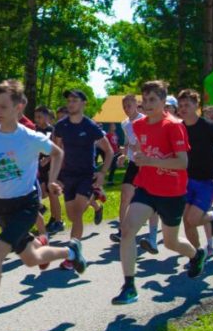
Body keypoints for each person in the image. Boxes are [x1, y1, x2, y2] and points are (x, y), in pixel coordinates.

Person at [0, 80, 83, 331]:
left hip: (25, 205)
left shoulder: (29, 137)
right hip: (2, 208)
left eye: (4, 106)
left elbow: (57, 153)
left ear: (19, 107)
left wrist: (54, 179)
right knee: (32, 258)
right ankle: (71, 250)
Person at [113, 80, 206, 306]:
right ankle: (129, 286)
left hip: (172, 192)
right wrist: (131, 155)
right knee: (127, 231)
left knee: (171, 243)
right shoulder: (139, 125)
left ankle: (196, 255)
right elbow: (140, 149)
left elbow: (183, 162)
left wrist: (151, 160)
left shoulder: (173, 125)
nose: (147, 103)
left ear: (164, 102)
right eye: (144, 100)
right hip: (146, 187)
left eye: (152, 99)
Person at [53, 89, 113, 269]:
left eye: (75, 100)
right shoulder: (61, 126)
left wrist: (102, 173)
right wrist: (54, 178)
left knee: (77, 213)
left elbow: (109, 151)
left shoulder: (91, 127)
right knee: (72, 216)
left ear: (83, 104)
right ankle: (96, 203)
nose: (71, 103)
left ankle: (72, 255)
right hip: (68, 176)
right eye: (69, 100)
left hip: (86, 175)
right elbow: (56, 152)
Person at [177, 89, 213, 258]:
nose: (183, 108)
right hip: (186, 180)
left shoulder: (208, 127)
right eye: (180, 105)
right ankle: (198, 255)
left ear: (196, 105)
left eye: (187, 104)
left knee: (193, 219)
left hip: (207, 181)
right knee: (186, 222)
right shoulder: (178, 128)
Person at [111, 94, 158, 250]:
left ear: (136, 105)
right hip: (133, 163)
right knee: (125, 195)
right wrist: (123, 155)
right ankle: (121, 229)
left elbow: (148, 141)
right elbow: (127, 142)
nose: (126, 109)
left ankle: (152, 236)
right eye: (124, 106)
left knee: (151, 199)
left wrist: (139, 148)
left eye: (129, 105)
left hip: (147, 163)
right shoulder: (125, 123)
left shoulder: (145, 120)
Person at [34, 105, 65, 234]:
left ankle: (58, 220)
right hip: (38, 167)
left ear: (47, 117)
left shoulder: (52, 131)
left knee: (52, 193)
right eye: (35, 117)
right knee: (42, 192)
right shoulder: (34, 130)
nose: (37, 120)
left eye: (40, 117)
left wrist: (48, 159)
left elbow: (58, 149)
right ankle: (50, 215)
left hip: (51, 167)